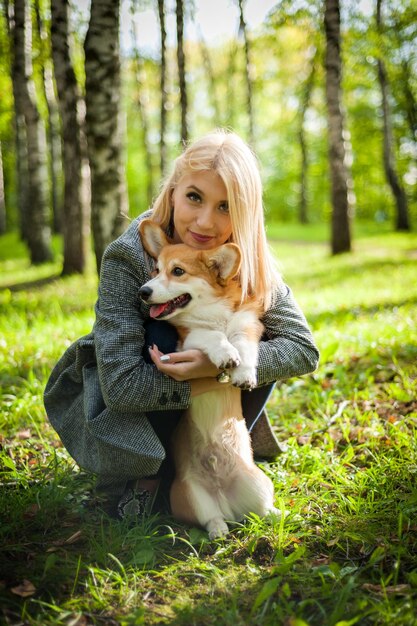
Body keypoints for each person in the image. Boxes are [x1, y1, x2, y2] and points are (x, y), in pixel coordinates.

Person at [44, 129, 319, 519]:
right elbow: (122, 387)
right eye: (194, 197)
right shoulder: (128, 256)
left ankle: (219, 465)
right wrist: (213, 374)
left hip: (215, 427)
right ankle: (145, 477)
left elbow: (303, 348)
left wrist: (220, 367)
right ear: (173, 190)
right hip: (136, 420)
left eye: (225, 207)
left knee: (247, 331)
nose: (206, 222)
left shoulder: (243, 255)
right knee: (165, 323)